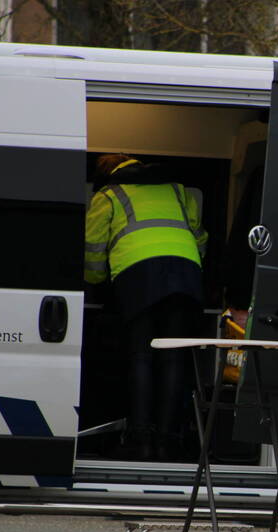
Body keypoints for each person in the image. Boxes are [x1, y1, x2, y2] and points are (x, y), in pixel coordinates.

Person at [85, 154, 208, 460]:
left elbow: (93, 247)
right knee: (173, 359)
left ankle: (140, 441)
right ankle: (168, 441)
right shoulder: (177, 190)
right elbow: (200, 236)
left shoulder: (108, 194)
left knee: (141, 356)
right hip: (184, 275)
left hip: (138, 276)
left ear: (107, 173)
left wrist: (96, 280)